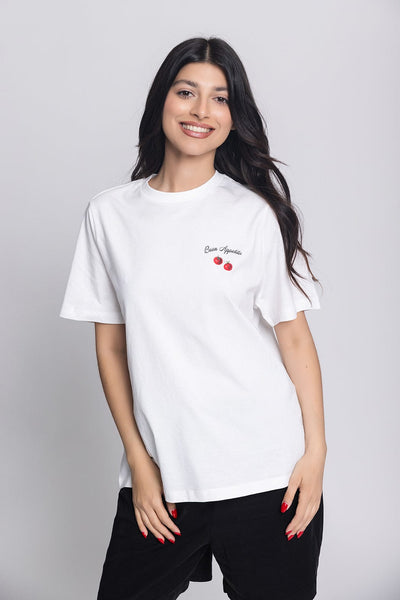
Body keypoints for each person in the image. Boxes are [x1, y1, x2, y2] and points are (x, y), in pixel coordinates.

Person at [59, 36, 327, 600]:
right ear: (162, 100)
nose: (201, 110)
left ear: (233, 115)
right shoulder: (110, 214)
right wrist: (140, 462)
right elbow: (111, 348)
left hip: (268, 474)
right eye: (186, 92)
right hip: (163, 479)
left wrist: (315, 454)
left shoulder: (256, 214)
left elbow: (295, 341)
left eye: (219, 98)